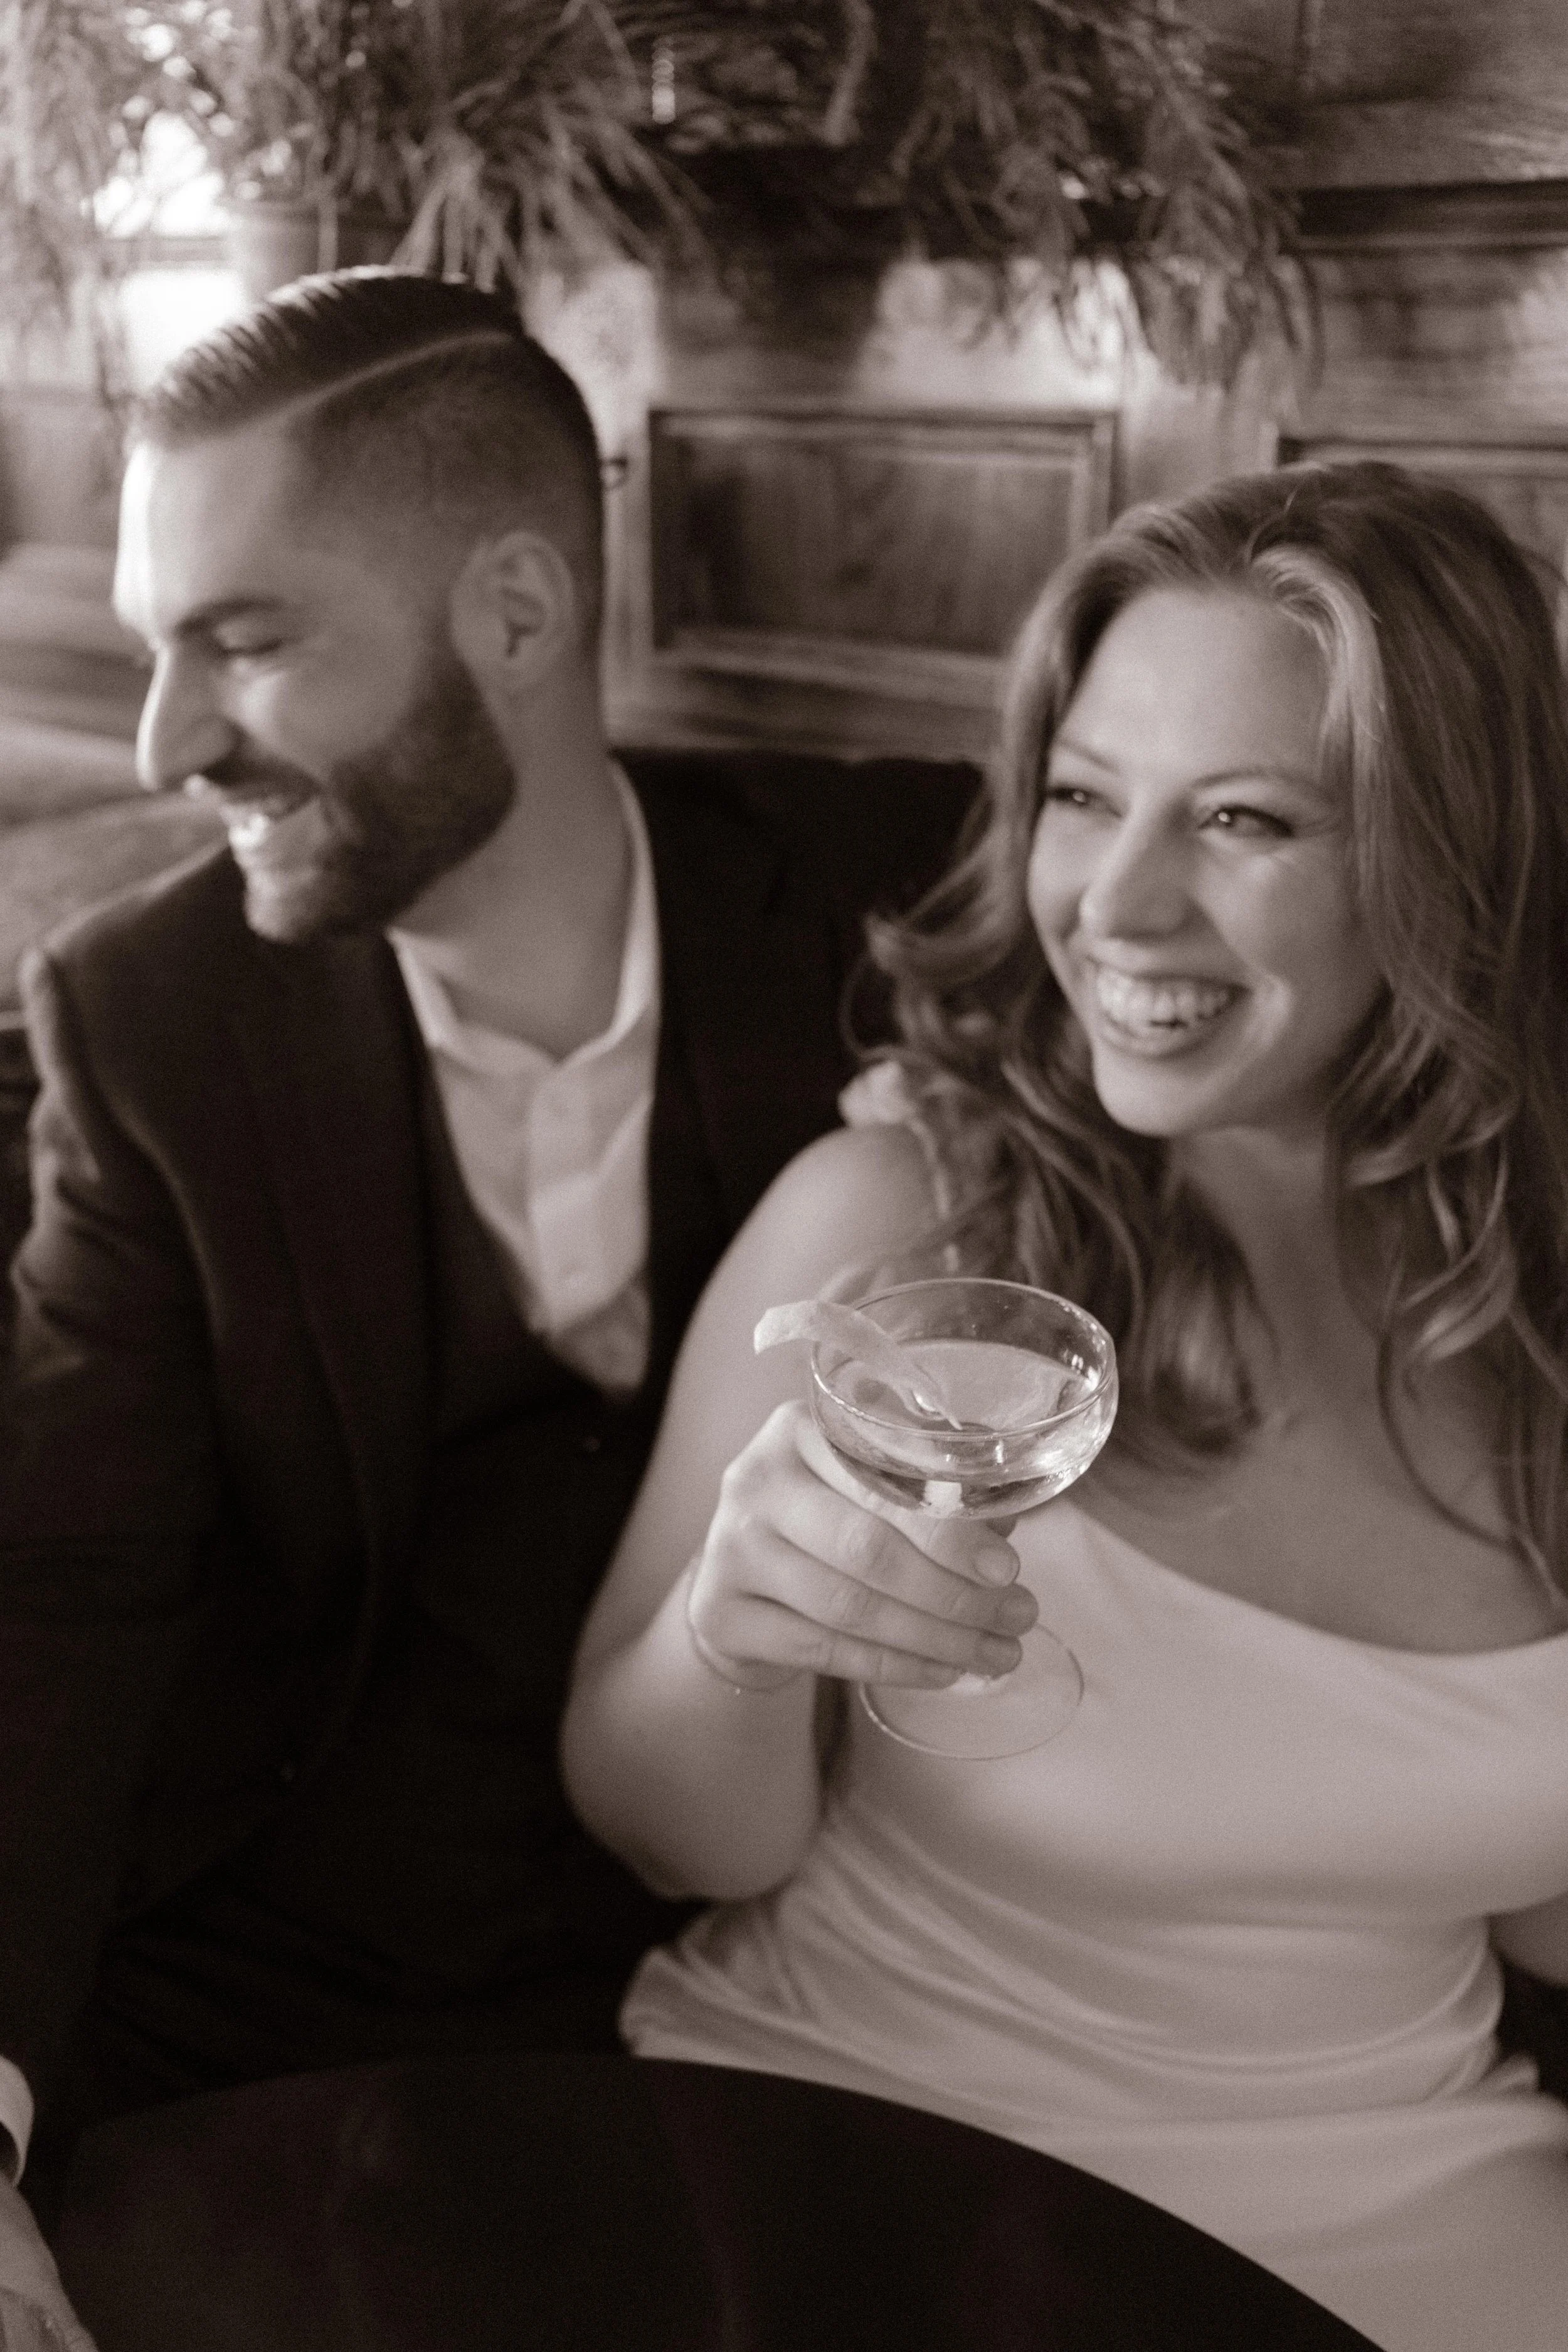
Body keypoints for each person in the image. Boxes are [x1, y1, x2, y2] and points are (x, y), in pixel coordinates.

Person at [0, 269, 970, 2336]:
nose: (170, 743)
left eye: (244, 642)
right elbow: (52, 1600)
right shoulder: (151, 1021)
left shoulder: (900, 919)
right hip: (256, 1997)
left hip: (775, 1998)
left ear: (517, 618)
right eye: (156, 649)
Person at [563, 460, 1568, 2352]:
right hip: (880, 2173)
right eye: (1084, 796)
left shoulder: (1534, 1305)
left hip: (1425, 2210)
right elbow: (669, 1830)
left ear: (1451, 855)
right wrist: (737, 1632)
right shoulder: (893, 1234)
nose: (1114, 902)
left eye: (1246, 817)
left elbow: (1539, 1920)